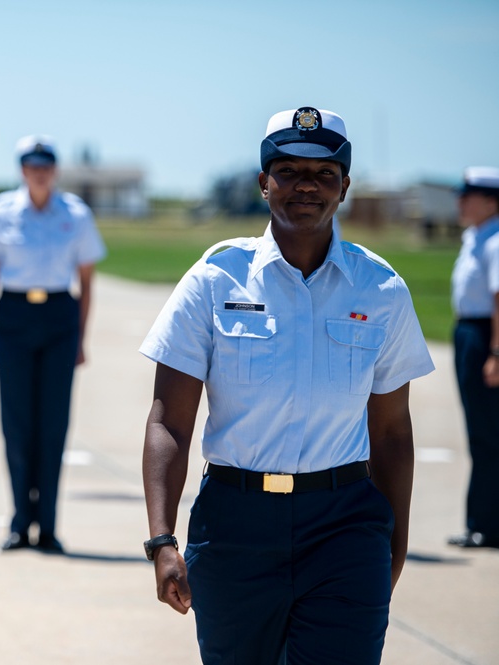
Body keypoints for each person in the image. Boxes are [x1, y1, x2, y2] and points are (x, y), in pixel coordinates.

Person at [140, 107, 435, 664]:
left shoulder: (381, 289)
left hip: (345, 528)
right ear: (263, 183)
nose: (307, 185)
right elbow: (169, 421)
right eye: (290, 170)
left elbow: (393, 431)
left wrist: (391, 548)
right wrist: (162, 540)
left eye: (325, 174)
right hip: (234, 527)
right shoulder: (214, 280)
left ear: (344, 188)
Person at [0, 135, 106, 553]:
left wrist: (81, 338)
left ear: (55, 170)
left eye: (46, 165)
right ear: (22, 170)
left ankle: (47, 526)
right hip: (13, 318)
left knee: (53, 425)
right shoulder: (1, 211)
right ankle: (18, 522)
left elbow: (86, 281)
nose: (40, 172)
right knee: (16, 425)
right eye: (32, 165)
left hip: (59, 319)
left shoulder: (75, 215)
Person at [448, 166, 499, 549]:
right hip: (469, 332)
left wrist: (495, 352)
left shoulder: (496, 240)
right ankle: (481, 519)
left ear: (492, 202)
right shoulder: (475, 236)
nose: (461, 202)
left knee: (487, 434)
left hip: (485, 336)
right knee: (480, 432)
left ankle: (486, 524)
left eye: (470, 195)